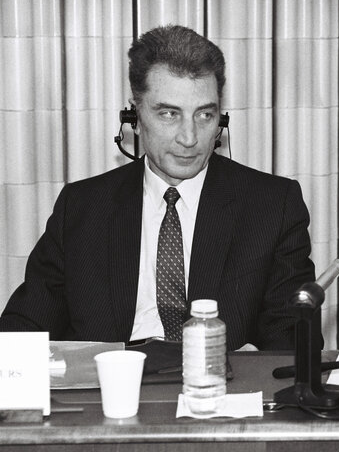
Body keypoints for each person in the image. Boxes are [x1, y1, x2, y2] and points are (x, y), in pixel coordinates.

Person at [0, 25, 315, 350]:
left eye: (205, 115)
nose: (189, 137)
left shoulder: (272, 206)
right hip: (109, 387)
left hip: (217, 388)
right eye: (168, 114)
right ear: (134, 114)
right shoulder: (81, 207)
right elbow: (24, 327)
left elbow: (294, 342)